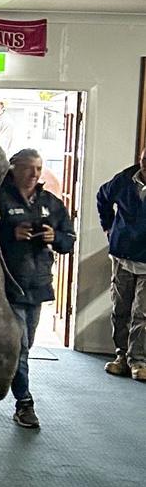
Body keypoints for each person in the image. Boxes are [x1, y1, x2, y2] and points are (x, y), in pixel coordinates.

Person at [0, 148, 76, 428]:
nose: (34, 174)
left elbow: (69, 241)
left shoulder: (51, 203)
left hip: (38, 285)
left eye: (39, 168)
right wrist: (9, 234)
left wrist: (56, 237)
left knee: (25, 345)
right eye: (29, 168)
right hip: (7, 285)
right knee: (19, 348)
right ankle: (25, 403)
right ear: (13, 168)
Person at [96, 148, 146, 382]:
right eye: (145, 161)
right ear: (140, 160)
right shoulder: (124, 180)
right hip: (123, 255)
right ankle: (121, 356)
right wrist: (108, 226)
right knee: (120, 309)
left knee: (142, 313)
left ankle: (138, 360)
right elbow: (102, 197)